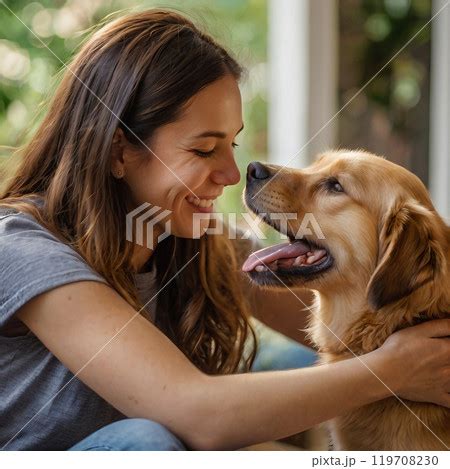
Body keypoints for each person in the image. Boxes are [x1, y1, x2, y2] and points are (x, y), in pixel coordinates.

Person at [0, 9, 449, 451]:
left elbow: (374, 331)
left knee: (294, 364)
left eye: (230, 144)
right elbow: (199, 415)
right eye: (203, 149)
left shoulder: (198, 241)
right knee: (147, 439)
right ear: (119, 152)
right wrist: (393, 371)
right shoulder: (25, 249)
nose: (233, 175)